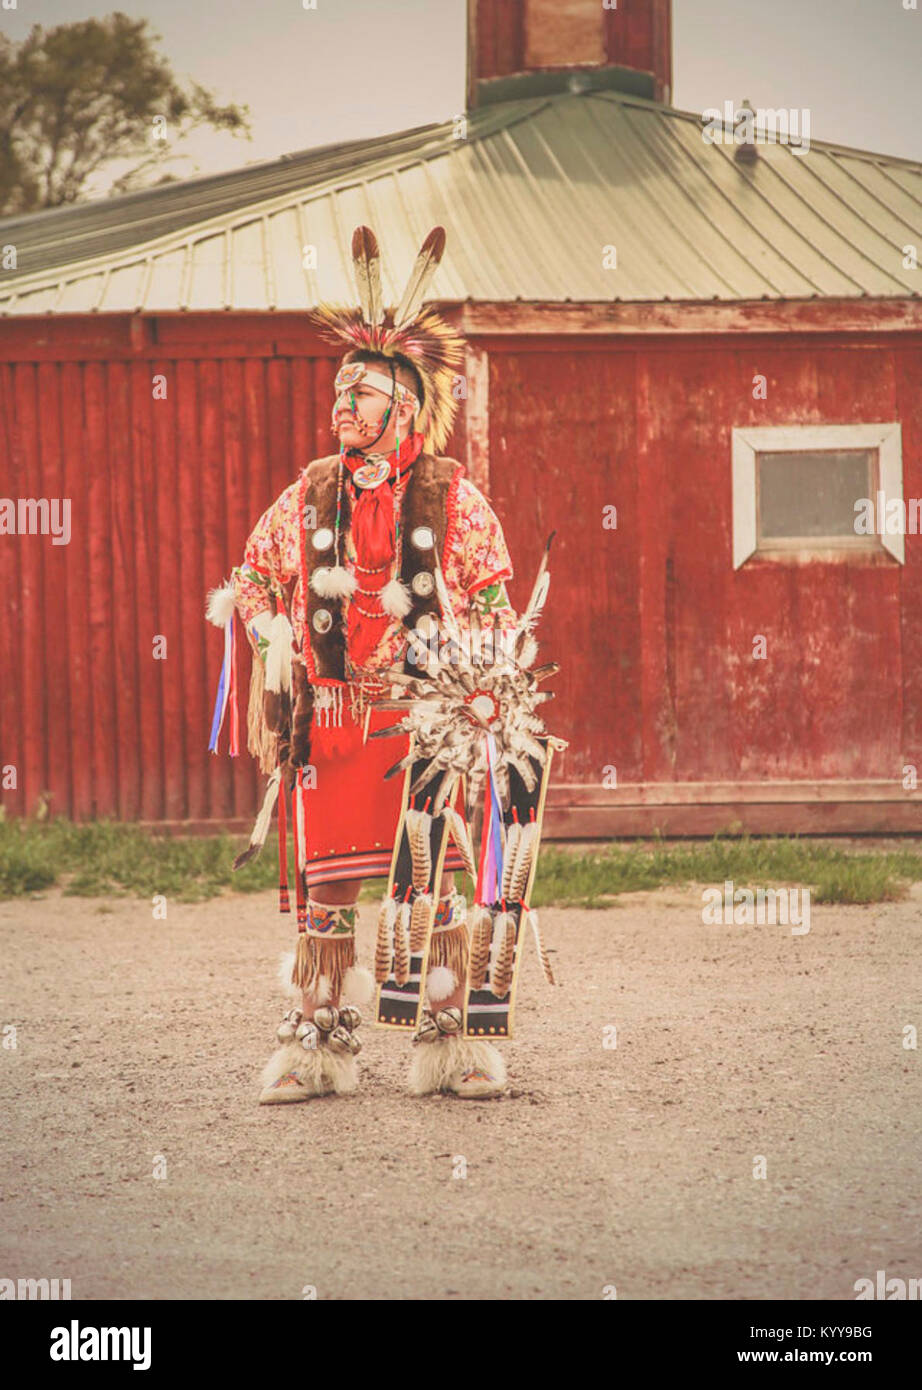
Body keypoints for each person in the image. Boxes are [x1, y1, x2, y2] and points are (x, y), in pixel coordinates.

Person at [228, 226, 519, 1104]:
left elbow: (499, 599)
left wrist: (493, 680)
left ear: (404, 409)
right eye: (339, 395)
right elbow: (250, 579)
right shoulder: (310, 491)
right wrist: (274, 639)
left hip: (427, 726)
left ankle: (453, 1046)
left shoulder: (452, 498)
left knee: (438, 888)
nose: (343, 411)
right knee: (328, 894)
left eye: (361, 397)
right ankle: (316, 1046)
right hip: (334, 721)